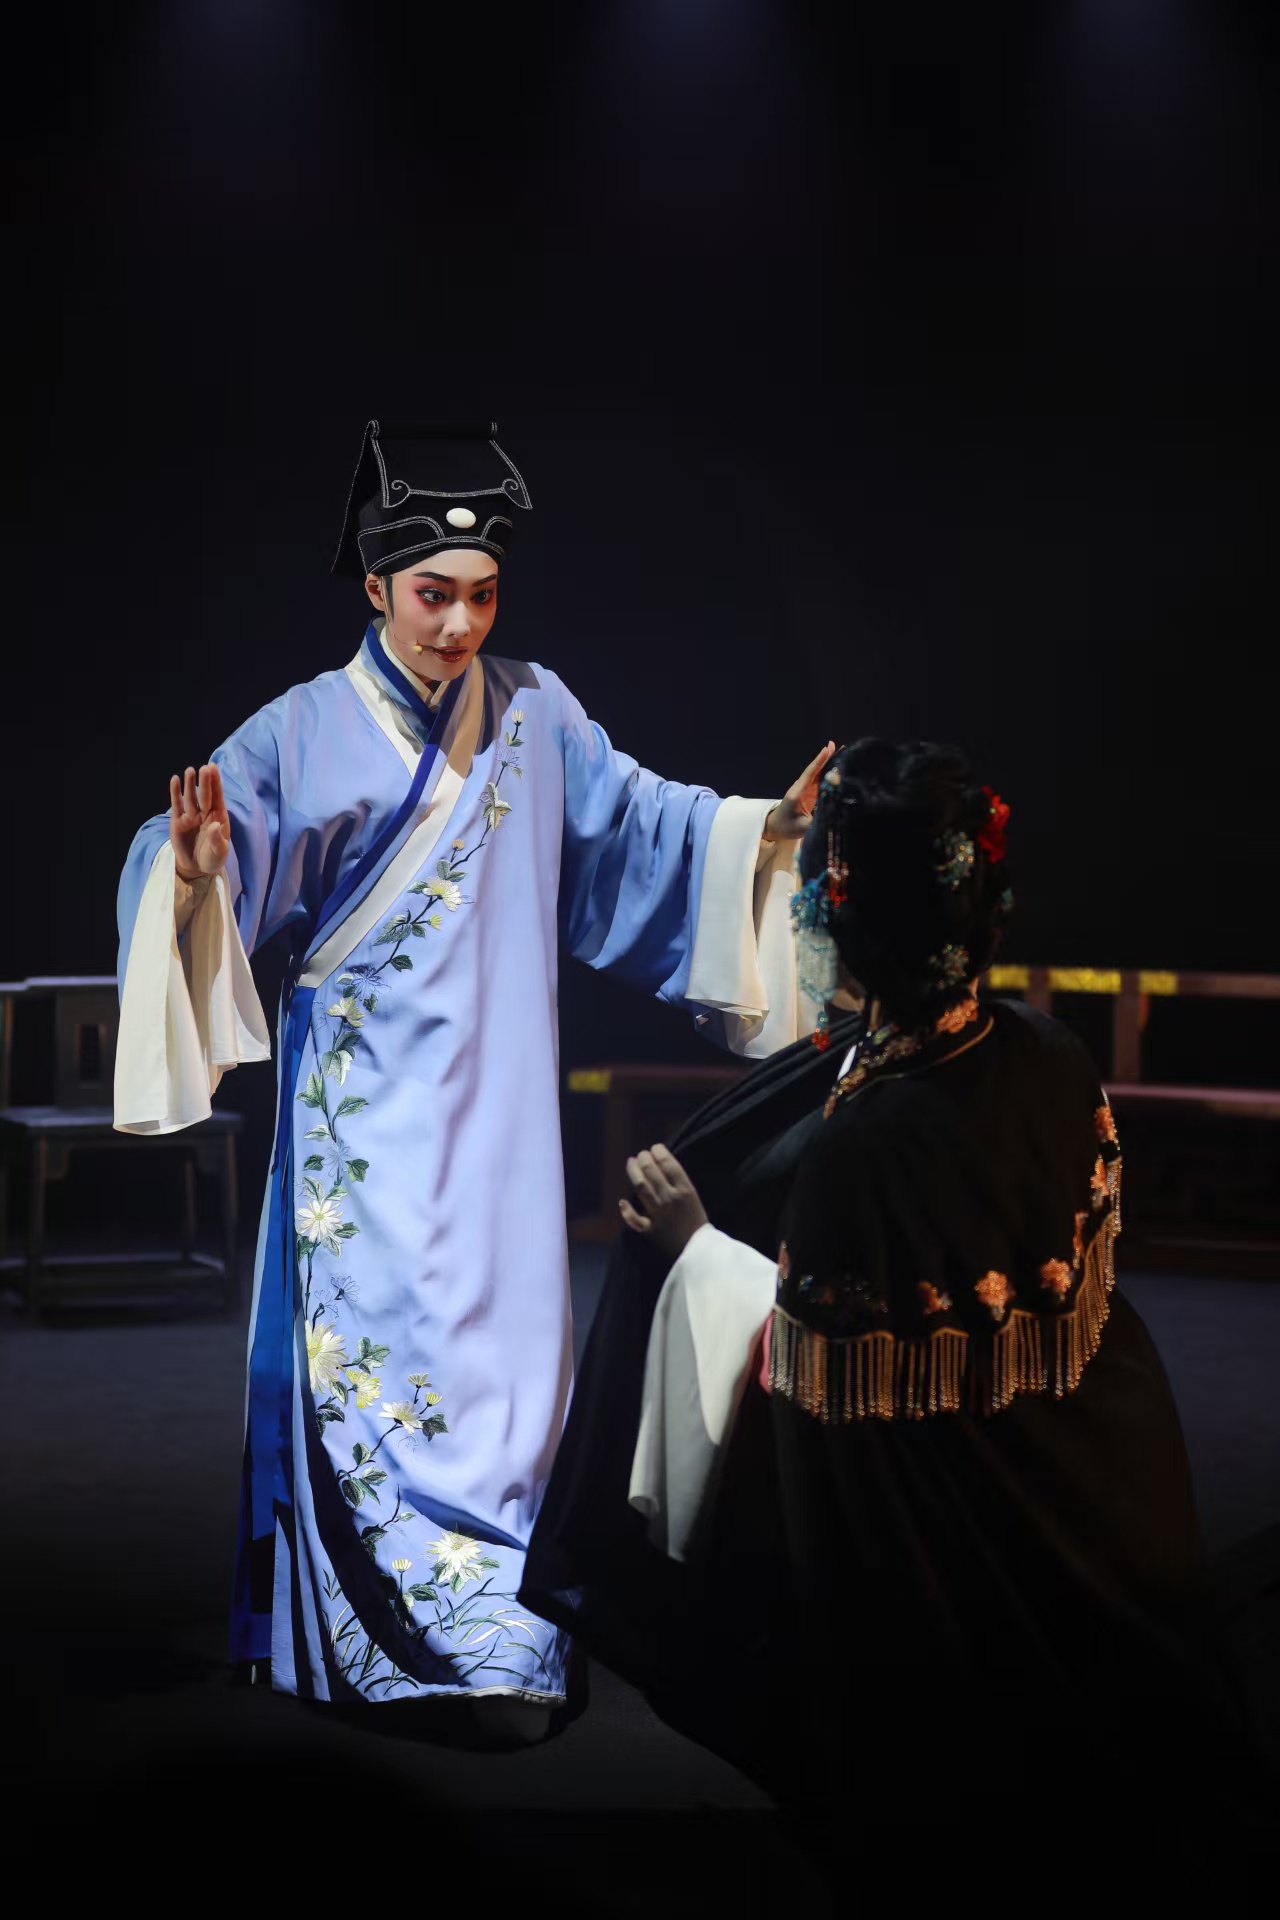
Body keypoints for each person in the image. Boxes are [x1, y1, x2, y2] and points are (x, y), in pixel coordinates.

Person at [113, 419, 829, 1718]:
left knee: (505, 1354)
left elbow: (637, 827)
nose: (458, 624)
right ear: (376, 586)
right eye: (432, 594)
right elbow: (196, 846)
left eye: (482, 595)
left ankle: (506, 1601)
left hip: (498, 1105)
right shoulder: (301, 734)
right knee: (376, 1350)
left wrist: (755, 835)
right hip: (369, 1122)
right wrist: (197, 879)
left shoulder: (537, 714)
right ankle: (378, 1621)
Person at [522, 739, 1255, 1846]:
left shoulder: (866, 1147)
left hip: (938, 1551)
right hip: (1084, 1501)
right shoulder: (1045, 1055)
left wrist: (692, 1250)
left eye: (815, 891)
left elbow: (810, 1377)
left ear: (844, 915)